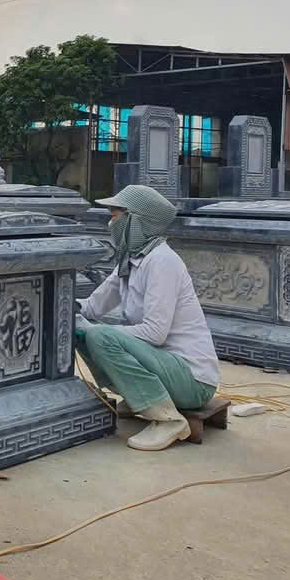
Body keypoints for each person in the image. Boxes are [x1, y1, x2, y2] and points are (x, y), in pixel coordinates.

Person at [76, 184, 220, 451]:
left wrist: (97, 330)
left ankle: (168, 420)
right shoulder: (130, 260)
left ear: (136, 221)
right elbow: (93, 306)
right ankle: (136, 396)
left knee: (98, 335)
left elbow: (155, 333)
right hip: (161, 364)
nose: (111, 223)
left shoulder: (162, 261)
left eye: (115, 216)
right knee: (77, 328)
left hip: (192, 380)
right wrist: (66, 308)